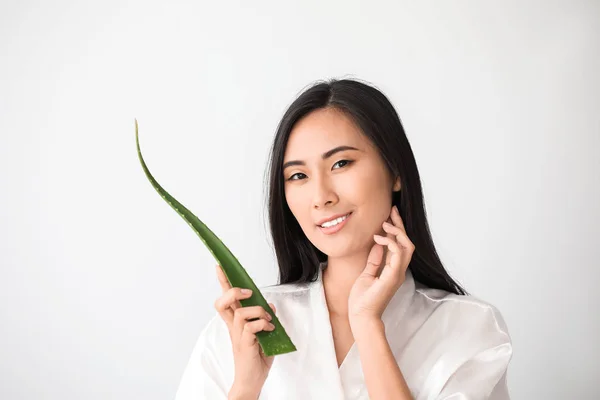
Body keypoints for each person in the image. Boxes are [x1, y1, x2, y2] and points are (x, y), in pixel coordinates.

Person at [174, 79, 513, 400]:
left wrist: (367, 325)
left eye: (341, 163)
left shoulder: (468, 328)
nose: (321, 196)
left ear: (395, 171)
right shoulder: (240, 333)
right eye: (298, 175)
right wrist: (246, 388)